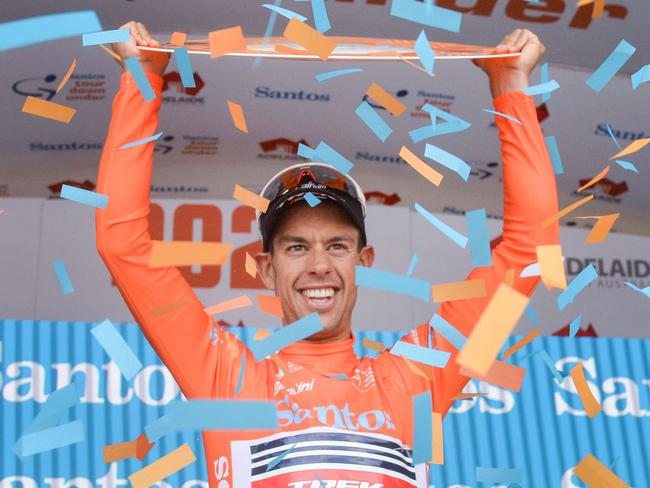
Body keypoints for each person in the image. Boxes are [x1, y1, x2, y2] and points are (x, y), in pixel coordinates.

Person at [97, 22, 559, 488]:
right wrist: (142, 77)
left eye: (337, 245)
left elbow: (533, 251)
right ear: (265, 269)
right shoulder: (224, 379)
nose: (319, 265)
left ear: (364, 261)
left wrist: (509, 85)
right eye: (296, 247)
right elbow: (121, 245)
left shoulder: (419, 379)